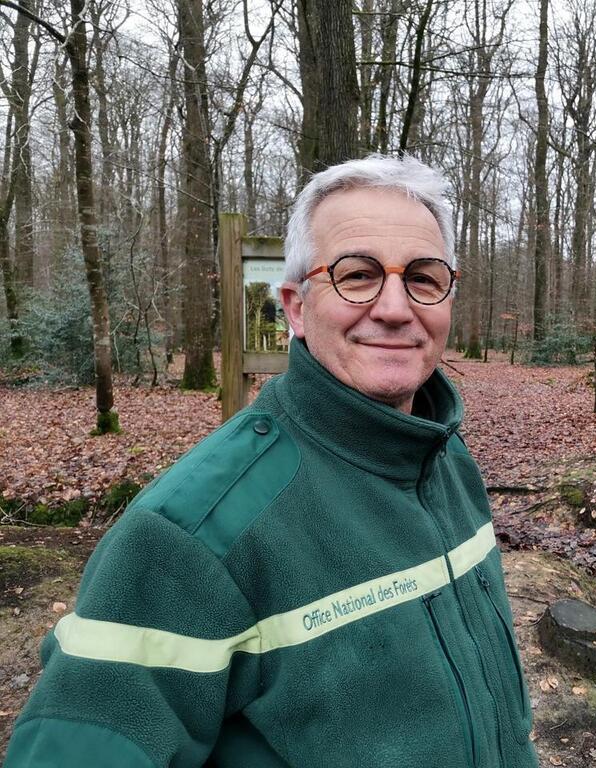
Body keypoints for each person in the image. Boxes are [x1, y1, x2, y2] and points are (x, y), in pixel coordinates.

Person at [6, 155, 539, 768]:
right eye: (357, 275)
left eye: (423, 277)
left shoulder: (444, 456)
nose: (396, 308)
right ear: (294, 306)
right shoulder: (191, 535)